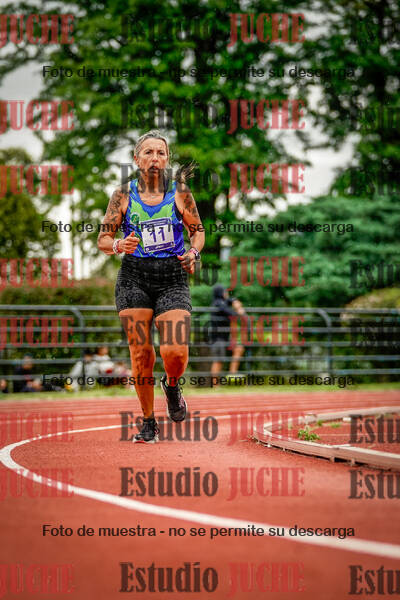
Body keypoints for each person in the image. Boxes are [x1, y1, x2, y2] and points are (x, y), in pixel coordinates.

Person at [97, 130, 205, 443]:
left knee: (175, 352)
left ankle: (171, 386)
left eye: (160, 152)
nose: (155, 158)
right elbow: (103, 238)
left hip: (172, 277)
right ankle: (148, 422)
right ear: (136, 159)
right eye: (148, 152)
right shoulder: (122, 195)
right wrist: (119, 245)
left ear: (167, 159)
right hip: (134, 277)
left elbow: (198, 231)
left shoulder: (180, 192)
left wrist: (193, 253)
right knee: (141, 354)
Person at [210, 285, 247, 382]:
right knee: (218, 361)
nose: (226, 293)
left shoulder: (222, 302)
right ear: (220, 293)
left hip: (225, 337)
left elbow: (230, 300)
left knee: (239, 348)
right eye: (224, 291)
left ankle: (232, 374)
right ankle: (215, 384)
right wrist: (239, 312)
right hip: (218, 339)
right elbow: (231, 313)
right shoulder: (218, 304)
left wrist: (235, 302)